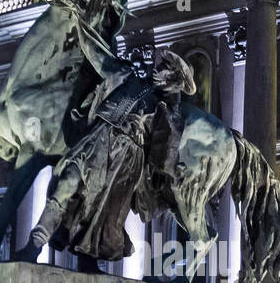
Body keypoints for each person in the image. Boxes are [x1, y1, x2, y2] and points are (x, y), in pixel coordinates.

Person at [22, 48, 196, 262]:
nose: (157, 68)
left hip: (126, 155)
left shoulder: (167, 110)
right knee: (67, 181)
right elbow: (103, 65)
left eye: (164, 68)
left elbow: (165, 152)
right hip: (98, 138)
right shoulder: (132, 76)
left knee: (99, 208)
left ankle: (78, 249)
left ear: (172, 78)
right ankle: (35, 245)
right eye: (159, 65)